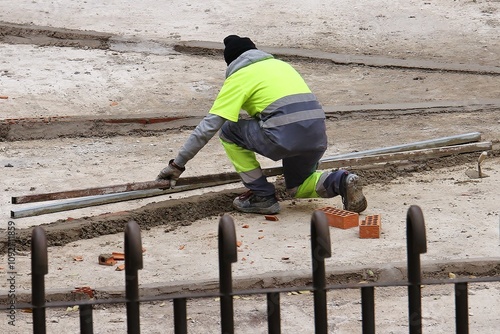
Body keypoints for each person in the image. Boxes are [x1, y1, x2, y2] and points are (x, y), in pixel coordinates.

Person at [157, 35, 367, 215]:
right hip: (316, 135)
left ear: (232, 63)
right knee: (298, 186)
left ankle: (262, 196)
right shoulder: (282, 66)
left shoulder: (239, 76)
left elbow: (208, 127)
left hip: (284, 136)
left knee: (229, 131)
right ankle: (341, 181)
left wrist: (178, 165)